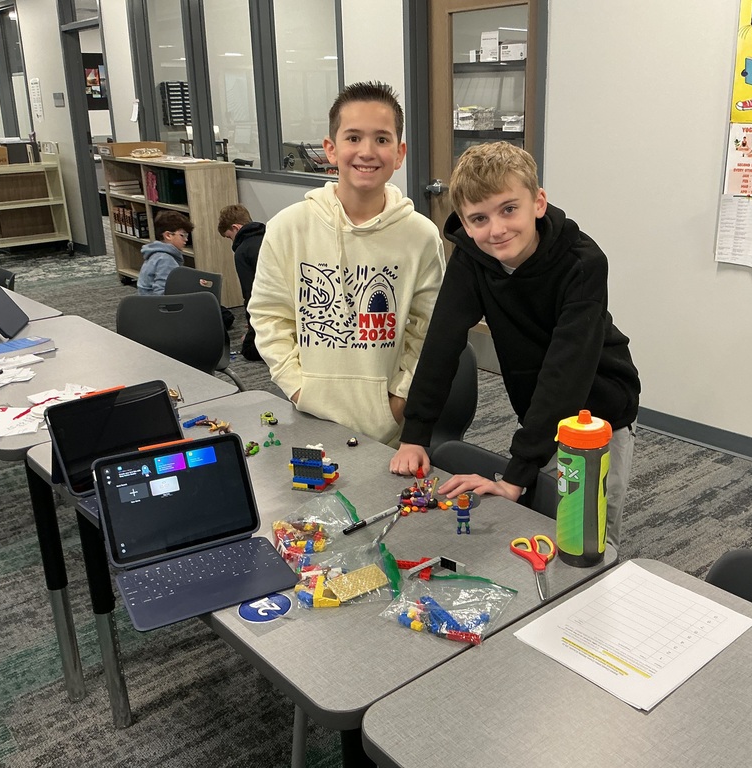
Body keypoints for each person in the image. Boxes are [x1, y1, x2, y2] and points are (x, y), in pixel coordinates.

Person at [390, 142, 641, 551]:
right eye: (479, 218)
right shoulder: (473, 258)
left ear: (538, 203)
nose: (497, 229)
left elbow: (567, 371)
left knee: (589, 541)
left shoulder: (583, 262)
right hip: (538, 404)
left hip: (599, 411)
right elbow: (443, 341)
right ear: (465, 225)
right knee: (542, 519)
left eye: (509, 209)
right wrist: (415, 434)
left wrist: (515, 475)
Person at [248, 81, 445, 445]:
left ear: (399, 153)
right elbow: (268, 315)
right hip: (307, 417)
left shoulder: (421, 236)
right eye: (353, 137)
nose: (367, 151)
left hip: (387, 430)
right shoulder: (288, 228)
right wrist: (297, 389)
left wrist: (398, 400)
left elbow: (428, 330)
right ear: (331, 149)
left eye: (382, 140)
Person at [218, 204, 266, 360]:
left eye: (229, 236)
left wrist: (253, 328)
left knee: (249, 350)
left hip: (267, 308)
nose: (231, 242)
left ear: (236, 227)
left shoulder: (242, 251)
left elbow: (251, 293)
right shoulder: (270, 237)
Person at [137, 211, 192, 295]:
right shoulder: (166, 260)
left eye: (187, 235)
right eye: (182, 235)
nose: (186, 239)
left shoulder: (156, 254)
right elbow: (162, 294)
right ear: (168, 235)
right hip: (155, 306)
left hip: (146, 304)